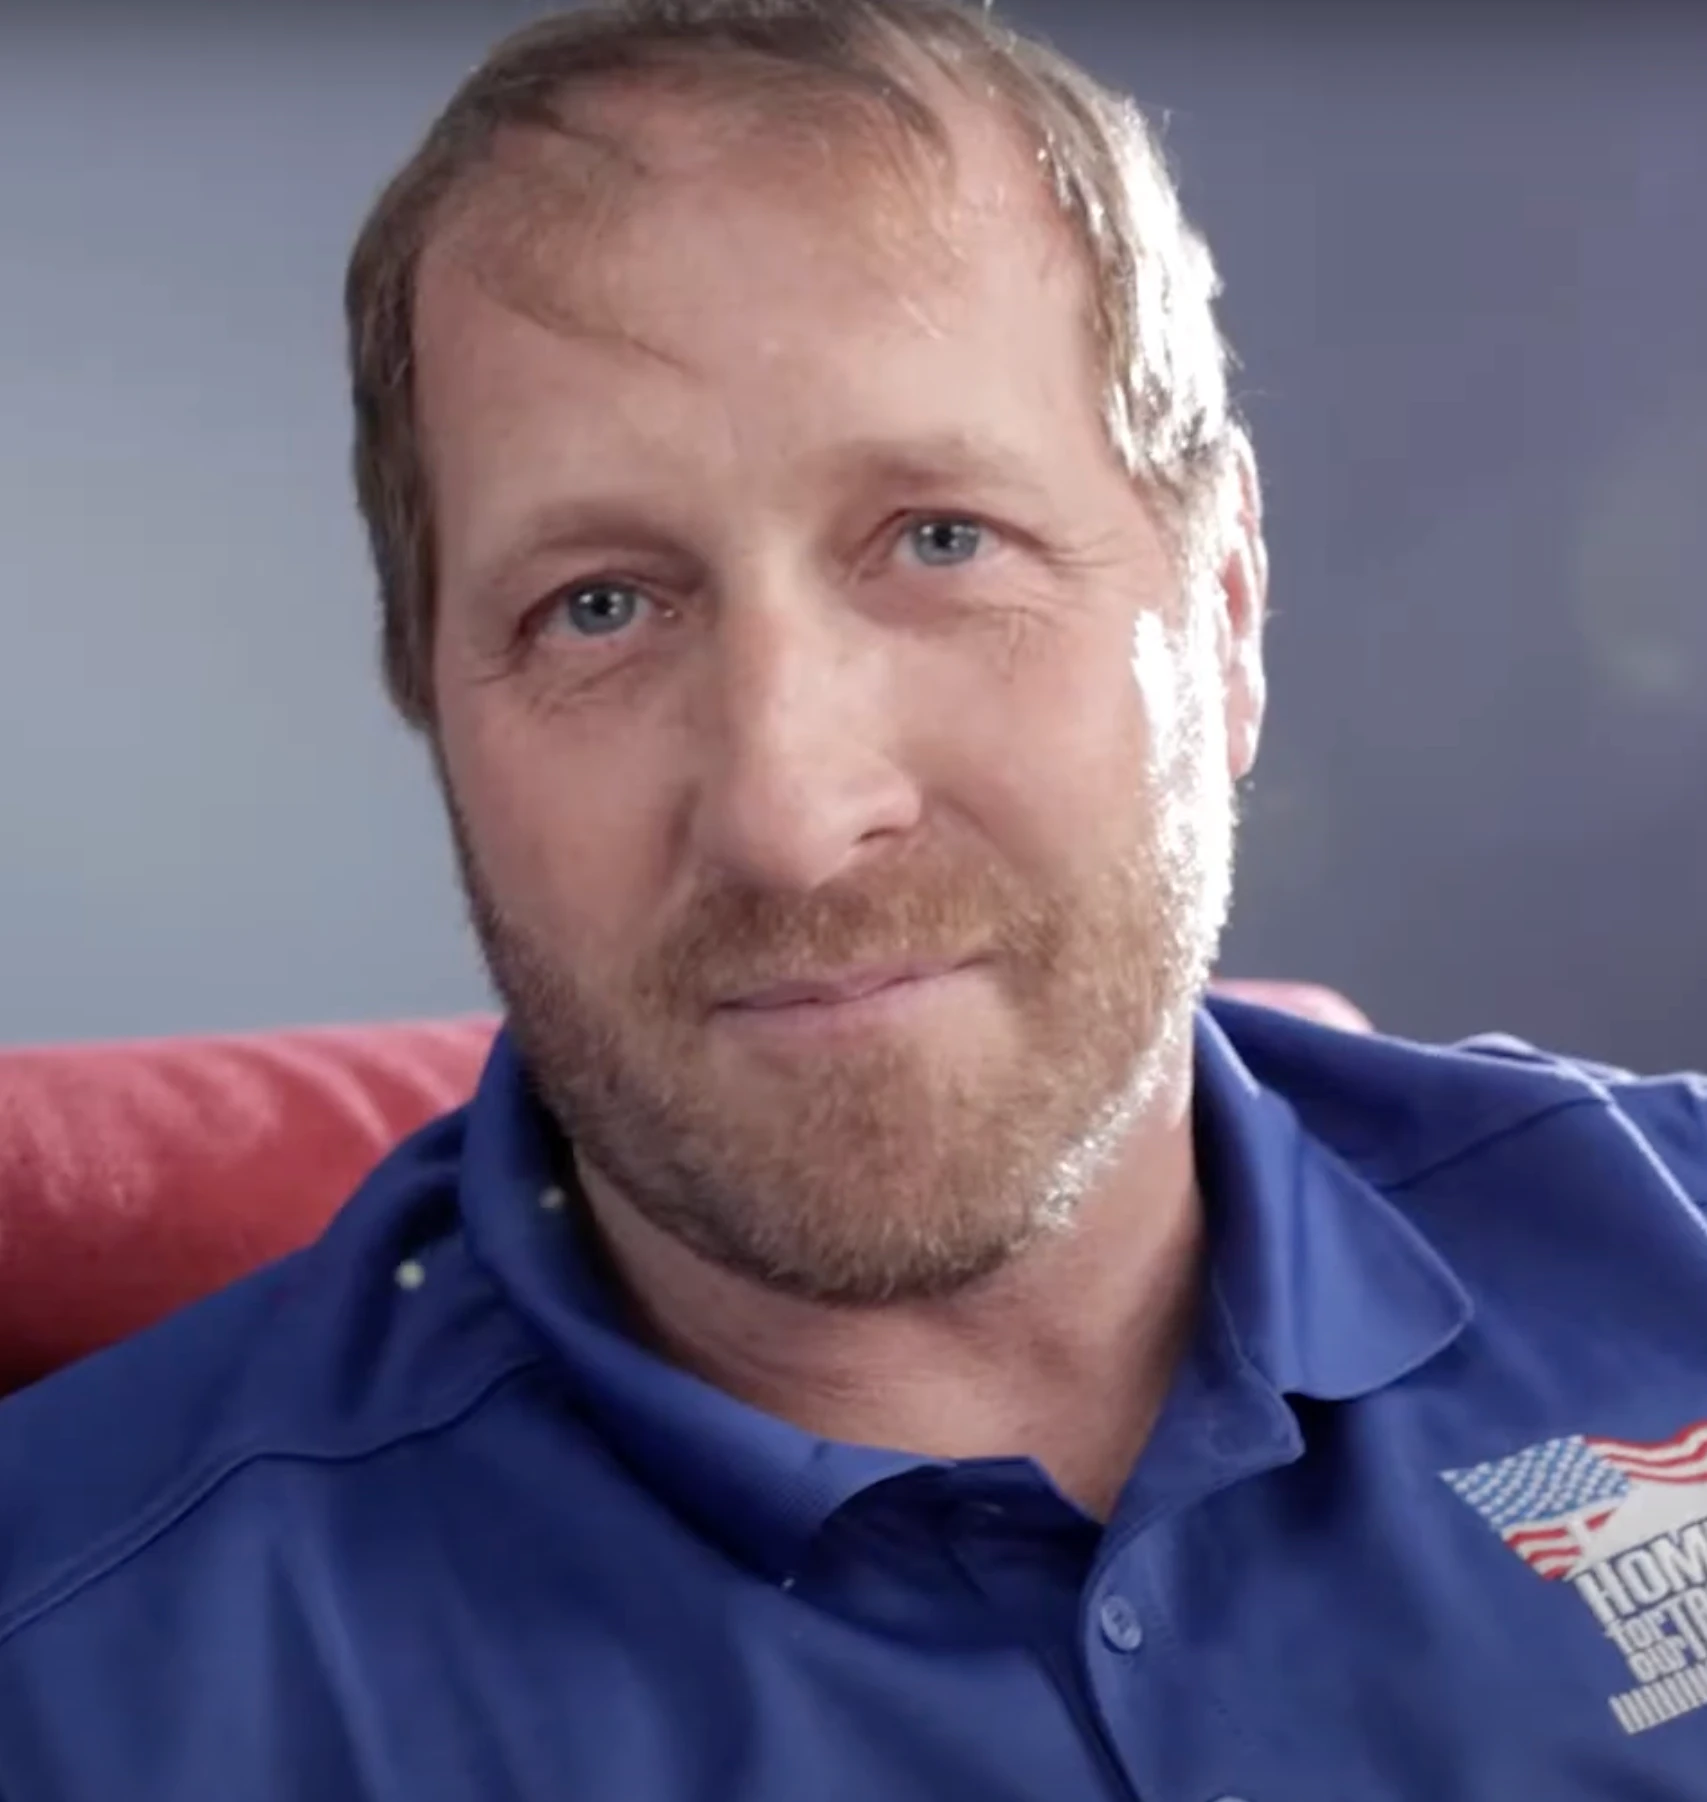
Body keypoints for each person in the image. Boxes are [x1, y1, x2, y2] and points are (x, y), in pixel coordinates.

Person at [1, 1, 1704, 1794]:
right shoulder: (83, 1695)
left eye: (940, 541)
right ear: (431, 700)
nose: (789, 813)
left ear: (1220, 611)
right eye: (598, 604)